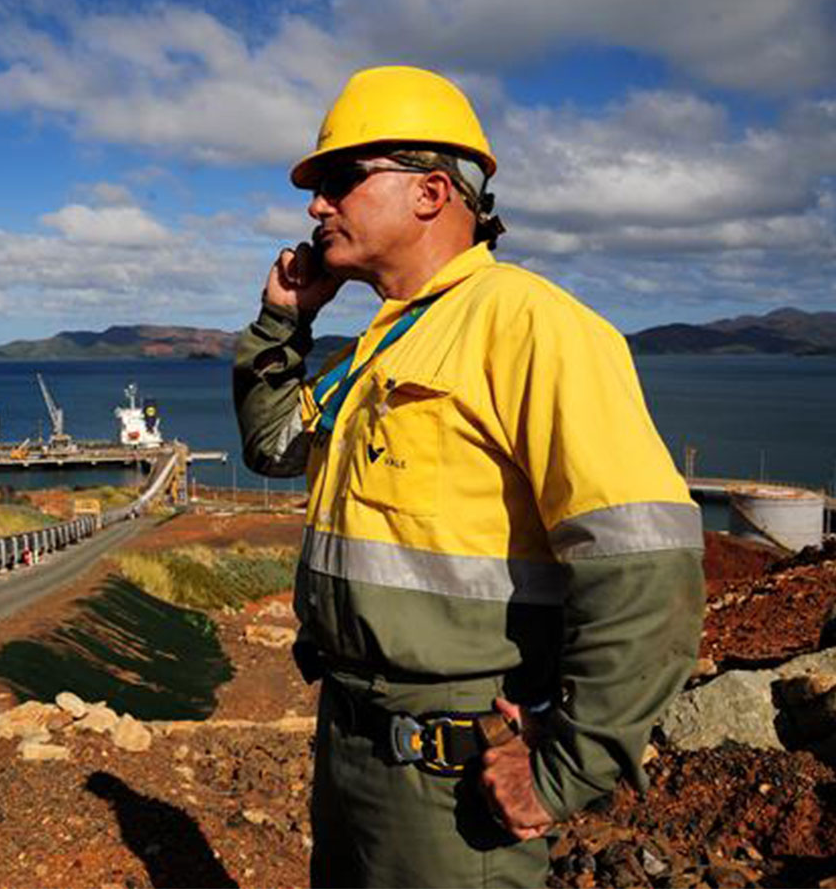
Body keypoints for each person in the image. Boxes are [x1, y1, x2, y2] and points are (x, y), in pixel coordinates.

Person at [233, 65, 705, 888]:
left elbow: (648, 563)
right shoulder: (386, 343)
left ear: (431, 192)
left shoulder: (530, 325)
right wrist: (284, 322)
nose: (315, 207)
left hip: (450, 781)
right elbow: (274, 445)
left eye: (340, 180)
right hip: (349, 747)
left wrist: (566, 768)